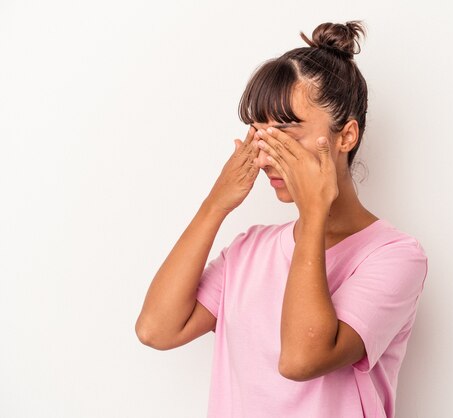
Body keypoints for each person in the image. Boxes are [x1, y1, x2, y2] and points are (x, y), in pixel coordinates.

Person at [135, 20, 428, 418]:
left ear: (346, 136)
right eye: (260, 132)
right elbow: (156, 329)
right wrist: (215, 205)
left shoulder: (394, 256)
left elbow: (301, 359)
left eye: (287, 133)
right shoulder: (250, 249)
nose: (268, 153)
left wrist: (313, 213)